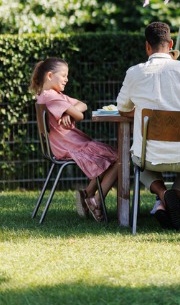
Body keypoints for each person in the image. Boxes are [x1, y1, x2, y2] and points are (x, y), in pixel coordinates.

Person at [117, 22, 180, 230]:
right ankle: (173, 199)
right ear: (170, 45)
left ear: (147, 47)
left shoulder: (134, 72)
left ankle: (163, 197)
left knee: (137, 160)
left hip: (149, 156)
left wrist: (144, 114)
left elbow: (123, 108)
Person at [30, 57, 120, 222]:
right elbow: (79, 114)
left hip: (67, 143)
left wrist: (66, 111)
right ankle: (96, 201)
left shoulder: (51, 95)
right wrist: (70, 110)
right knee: (121, 159)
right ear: (50, 75)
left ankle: (88, 195)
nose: (66, 79)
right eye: (63, 75)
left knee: (115, 158)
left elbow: (82, 104)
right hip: (69, 145)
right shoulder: (51, 97)